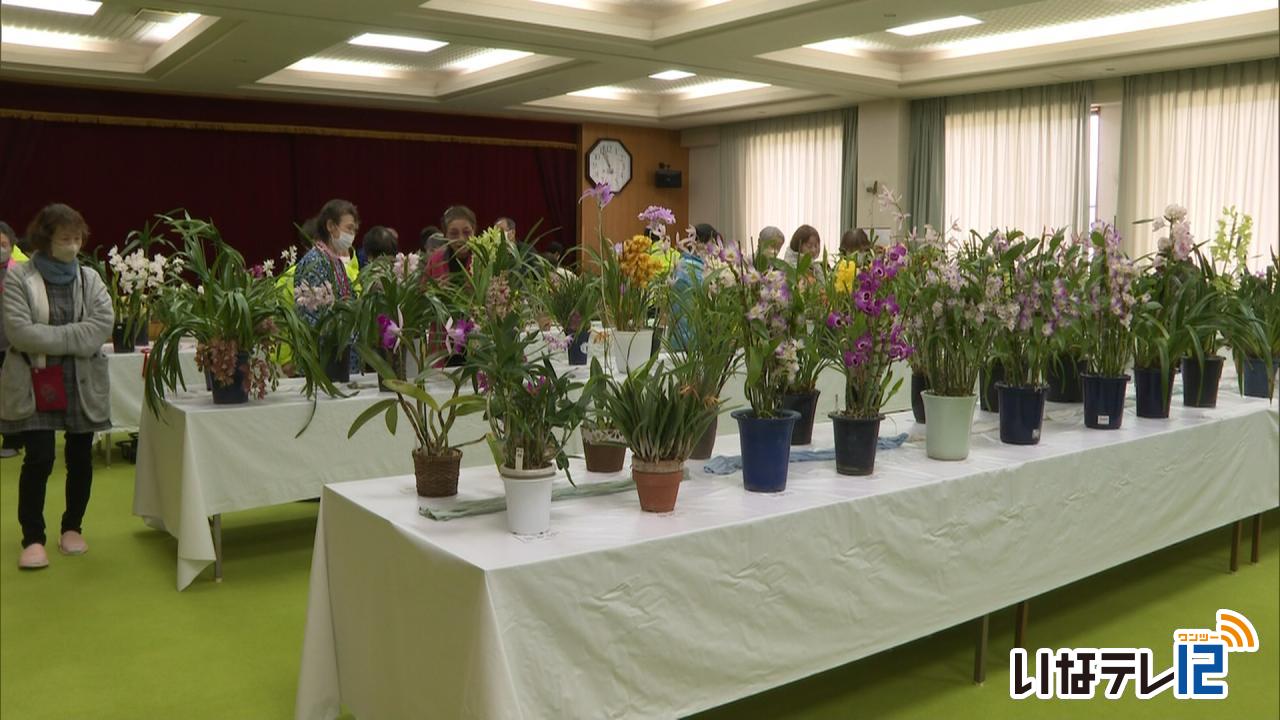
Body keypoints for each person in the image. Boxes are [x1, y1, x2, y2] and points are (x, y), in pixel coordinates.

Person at [0, 204, 113, 569]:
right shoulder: (20, 278)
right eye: (65, 237)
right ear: (45, 238)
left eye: (77, 237)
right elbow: (18, 331)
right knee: (40, 458)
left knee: (80, 458)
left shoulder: (91, 279)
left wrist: (50, 338)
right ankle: (32, 537)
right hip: (35, 381)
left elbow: (102, 325)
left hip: (81, 382)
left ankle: (72, 528)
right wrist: (73, 338)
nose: (73, 244)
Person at [296, 199, 361, 372]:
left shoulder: (335, 261)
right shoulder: (315, 261)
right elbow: (312, 316)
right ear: (331, 226)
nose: (352, 235)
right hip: (325, 363)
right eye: (349, 228)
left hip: (342, 359)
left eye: (354, 230)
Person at [0, 221, 26, 458]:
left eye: (3, 244)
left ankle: (12, 440)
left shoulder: (20, 272)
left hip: (12, 344)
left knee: (11, 393)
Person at [426, 205, 476, 280]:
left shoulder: (484, 260)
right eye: (454, 233)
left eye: (466, 232)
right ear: (445, 235)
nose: (461, 239)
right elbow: (423, 289)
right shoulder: (436, 260)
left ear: (474, 231)